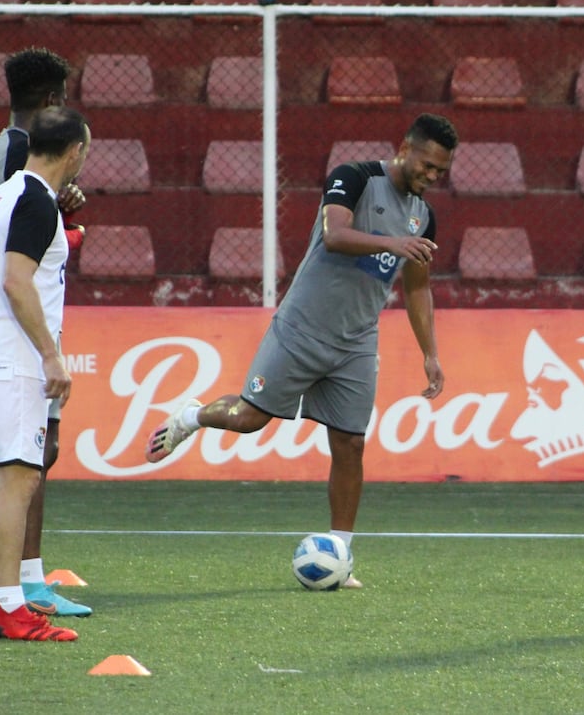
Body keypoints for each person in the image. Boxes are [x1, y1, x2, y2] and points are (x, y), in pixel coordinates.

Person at [144, 113, 459, 588]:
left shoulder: (423, 215)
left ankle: (341, 554)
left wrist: (430, 352)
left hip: (356, 341)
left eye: (441, 171)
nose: (432, 176)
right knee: (250, 420)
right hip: (302, 328)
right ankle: (193, 416)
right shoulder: (353, 177)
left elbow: (416, 287)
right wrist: (395, 241)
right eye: (428, 164)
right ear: (405, 147)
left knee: (351, 443)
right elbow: (335, 235)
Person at [0, 106, 91, 641]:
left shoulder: (0, 196)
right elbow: (17, 281)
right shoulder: (36, 198)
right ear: (75, 151)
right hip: (11, 359)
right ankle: (10, 606)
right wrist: (51, 355)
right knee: (19, 477)